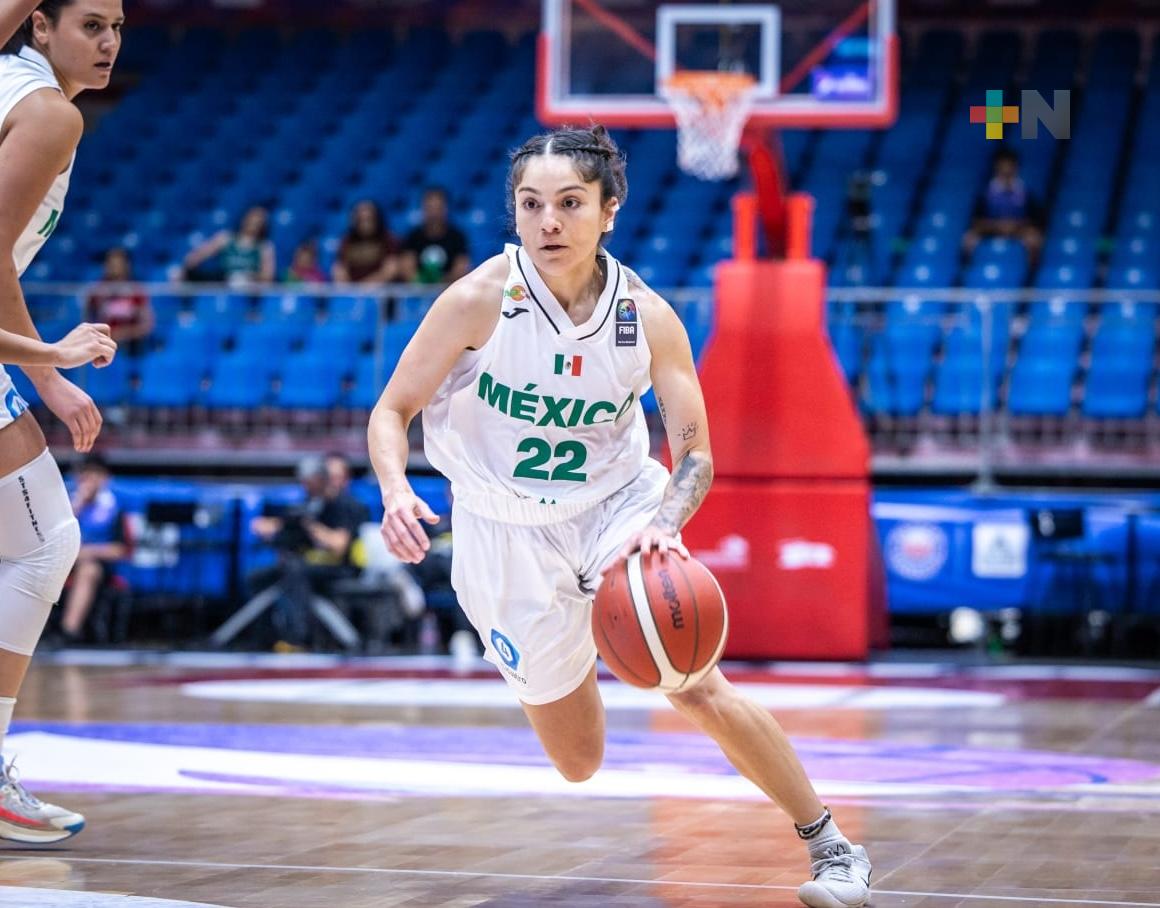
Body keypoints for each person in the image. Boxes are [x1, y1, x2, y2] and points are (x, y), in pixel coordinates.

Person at [368, 125, 872, 907]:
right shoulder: (477, 301)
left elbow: (696, 454)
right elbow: (391, 411)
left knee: (693, 682)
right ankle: (568, 650)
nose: (547, 222)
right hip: (501, 532)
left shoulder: (647, 316)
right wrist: (397, 489)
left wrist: (665, 519)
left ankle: (834, 848)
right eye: (531, 204)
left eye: (569, 203)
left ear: (609, 211)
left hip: (616, 507)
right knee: (579, 761)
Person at [0, 0, 125, 843]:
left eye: (118, 26)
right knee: (45, 542)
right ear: (39, 26)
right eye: (91, 25)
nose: (109, 41)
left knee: (41, 539)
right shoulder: (48, 114)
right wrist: (52, 365)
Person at [247, 454, 369, 651]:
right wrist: (274, 526)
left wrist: (311, 527)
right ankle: (263, 639)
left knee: (295, 571)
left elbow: (339, 544)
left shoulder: (348, 505)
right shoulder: (311, 504)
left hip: (342, 567)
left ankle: (297, 638)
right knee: (258, 577)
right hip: (308, 566)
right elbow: (286, 524)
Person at [57, 455, 126, 644]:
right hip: (63, 559)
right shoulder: (67, 502)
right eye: (85, 474)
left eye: (95, 474)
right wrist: (78, 504)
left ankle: (68, 631)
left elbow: (120, 549)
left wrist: (86, 552)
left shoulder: (114, 507)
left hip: (97, 565)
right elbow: (55, 534)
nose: (89, 479)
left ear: (105, 478)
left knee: (89, 570)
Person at [961, 147, 1043, 266]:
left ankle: (1031, 272)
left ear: (1015, 168)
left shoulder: (1026, 193)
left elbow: (1036, 221)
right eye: (1002, 167)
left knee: (1034, 238)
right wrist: (997, 226)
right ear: (996, 168)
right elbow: (975, 220)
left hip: (1018, 230)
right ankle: (968, 270)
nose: (1006, 170)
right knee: (969, 238)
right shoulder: (985, 193)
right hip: (990, 229)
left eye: (1009, 167)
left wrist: (1015, 226)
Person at [183, 204, 275, 286]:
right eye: (252, 219)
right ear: (244, 219)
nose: (254, 223)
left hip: (250, 291)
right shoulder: (225, 239)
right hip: (223, 286)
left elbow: (268, 277)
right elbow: (195, 258)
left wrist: (248, 278)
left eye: (259, 221)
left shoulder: (264, 247)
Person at [85, 247, 153, 354]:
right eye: (111, 264)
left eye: (118, 264)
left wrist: (122, 334)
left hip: (132, 346)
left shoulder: (136, 290)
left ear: (126, 266)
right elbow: (87, 322)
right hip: (103, 342)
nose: (115, 268)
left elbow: (146, 325)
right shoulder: (97, 291)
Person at [400, 186, 470, 285]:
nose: (434, 213)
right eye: (430, 208)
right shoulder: (413, 237)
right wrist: (424, 282)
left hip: (449, 289)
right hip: (418, 291)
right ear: (423, 209)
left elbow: (461, 270)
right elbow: (407, 269)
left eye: (438, 208)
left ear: (446, 209)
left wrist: (439, 281)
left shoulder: (457, 237)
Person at [332, 200, 400, 284]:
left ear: (377, 219)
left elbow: (391, 269)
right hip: (352, 289)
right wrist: (349, 288)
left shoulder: (388, 239)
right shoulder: (347, 240)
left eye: (369, 219)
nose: (365, 224)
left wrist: (364, 287)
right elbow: (339, 269)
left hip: (381, 289)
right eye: (361, 220)